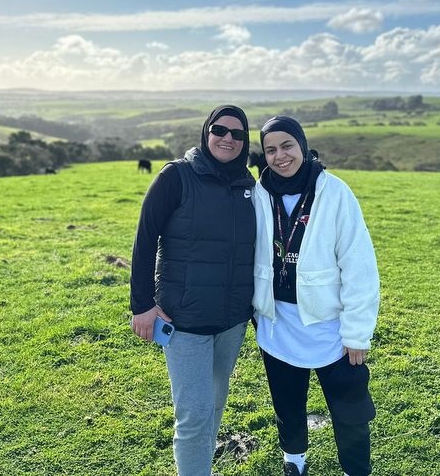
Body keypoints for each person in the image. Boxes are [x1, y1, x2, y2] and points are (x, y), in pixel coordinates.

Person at [130, 105, 256, 476]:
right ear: (206, 132)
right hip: (184, 320)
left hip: (232, 320)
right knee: (195, 414)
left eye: (237, 134)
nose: (228, 138)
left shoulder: (249, 185)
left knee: (214, 404)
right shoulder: (177, 176)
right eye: (219, 130)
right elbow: (145, 238)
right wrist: (142, 305)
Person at [252, 116, 379, 476]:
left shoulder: (334, 192)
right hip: (278, 326)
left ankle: (356, 469)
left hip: (331, 328)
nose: (280, 156)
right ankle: (294, 461)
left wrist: (357, 333)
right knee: (287, 404)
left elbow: (359, 267)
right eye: (271, 150)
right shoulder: (259, 193)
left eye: (287, 146)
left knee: (350, 409)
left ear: (303, 146)